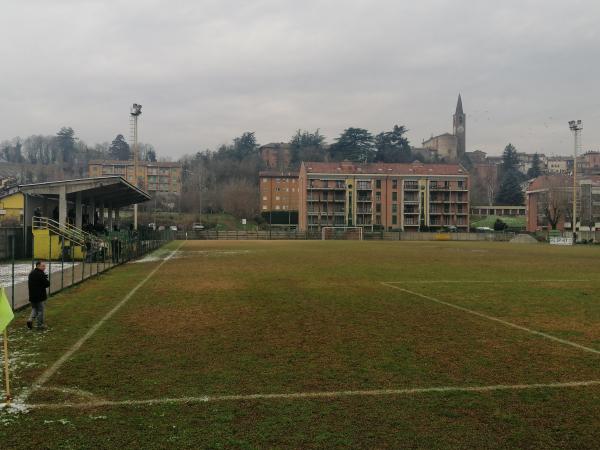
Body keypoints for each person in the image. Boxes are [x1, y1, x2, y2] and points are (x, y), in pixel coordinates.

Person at [27, 261, 50, 330]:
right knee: (40, 311)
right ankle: (40, 325)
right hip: (40, 296)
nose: (44, 267)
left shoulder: (31, 273)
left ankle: (30, 320)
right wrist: (45, 278)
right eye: (43, 266)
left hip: (32, 295)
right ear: (38, 266)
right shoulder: (41, 274)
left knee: (34, 309)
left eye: (44, 266)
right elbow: (47, 284)